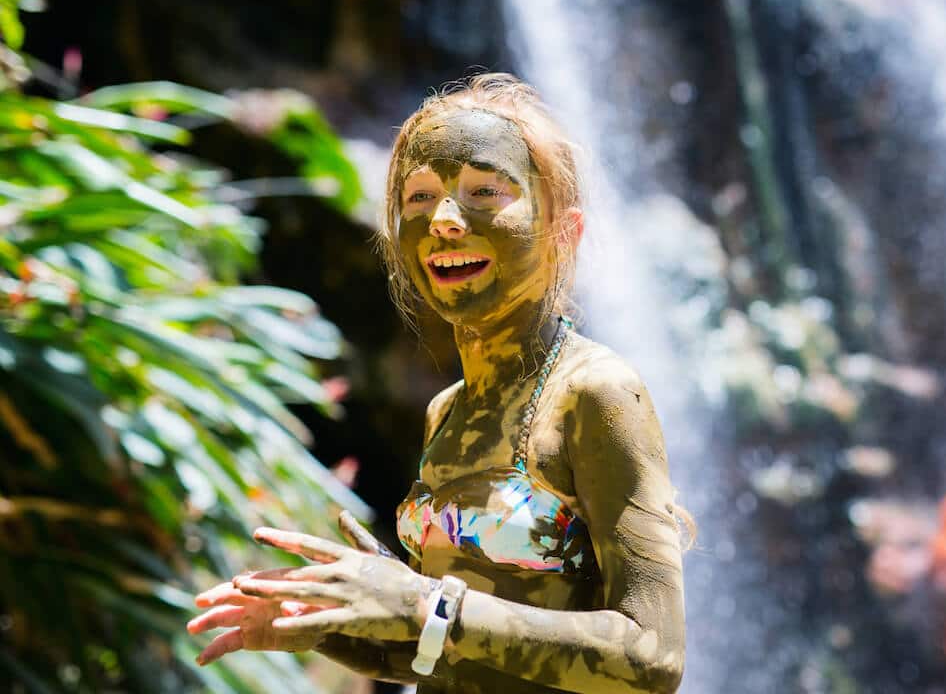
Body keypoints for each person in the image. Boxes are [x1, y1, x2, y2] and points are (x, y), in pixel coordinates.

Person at [187, 73, 689, 693]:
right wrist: (334, 625)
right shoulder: (446, 411)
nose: (446, 220)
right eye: (420, 197)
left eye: (484, 191)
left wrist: (423, 605)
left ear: (565, 230)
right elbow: (456, 654)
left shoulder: (598, 393)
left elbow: (654, 656)